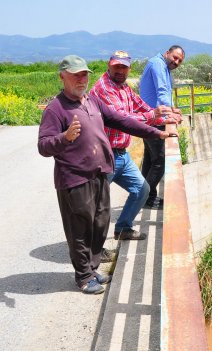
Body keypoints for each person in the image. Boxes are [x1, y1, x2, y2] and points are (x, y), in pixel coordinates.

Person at [38, 55, 171, 294]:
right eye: (76, 74)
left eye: (84, 74)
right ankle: (83, 277)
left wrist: (155, 132)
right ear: (62, 76)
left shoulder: (91, 101)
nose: (82, 79)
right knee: (80, 229)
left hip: (99, 173)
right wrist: (64, 137)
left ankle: (93, 268)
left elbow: (121, 120)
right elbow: (44, 146)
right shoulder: (55, 109)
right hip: (74, 178)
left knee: (99, 224)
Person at [89, 50, 182, 248]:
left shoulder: (123, 87)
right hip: (104, 155)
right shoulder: (105, 88)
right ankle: (94, 251)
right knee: (98, 206)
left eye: (124, 67)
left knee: (142, 190)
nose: (120, 70)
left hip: (121, 154)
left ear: (129, 68)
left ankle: (123, 228)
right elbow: (123, 119)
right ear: (109, 65)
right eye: (117, 66)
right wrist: (154, 116)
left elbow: (140, 106)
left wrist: (164, 116)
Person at [139, 45, 185, 209]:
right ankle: (142, 197)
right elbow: (162, 90)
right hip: (154, 120)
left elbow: (164, 92)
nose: (177, 62)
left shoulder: (161, 65)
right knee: (161, 160)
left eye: (179, 60)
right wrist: (169, 116)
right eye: (175, 57)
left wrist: (172, 109)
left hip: (149, 118)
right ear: (167, 53)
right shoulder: (158, 64)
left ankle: (148, 197)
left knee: (151, 159)